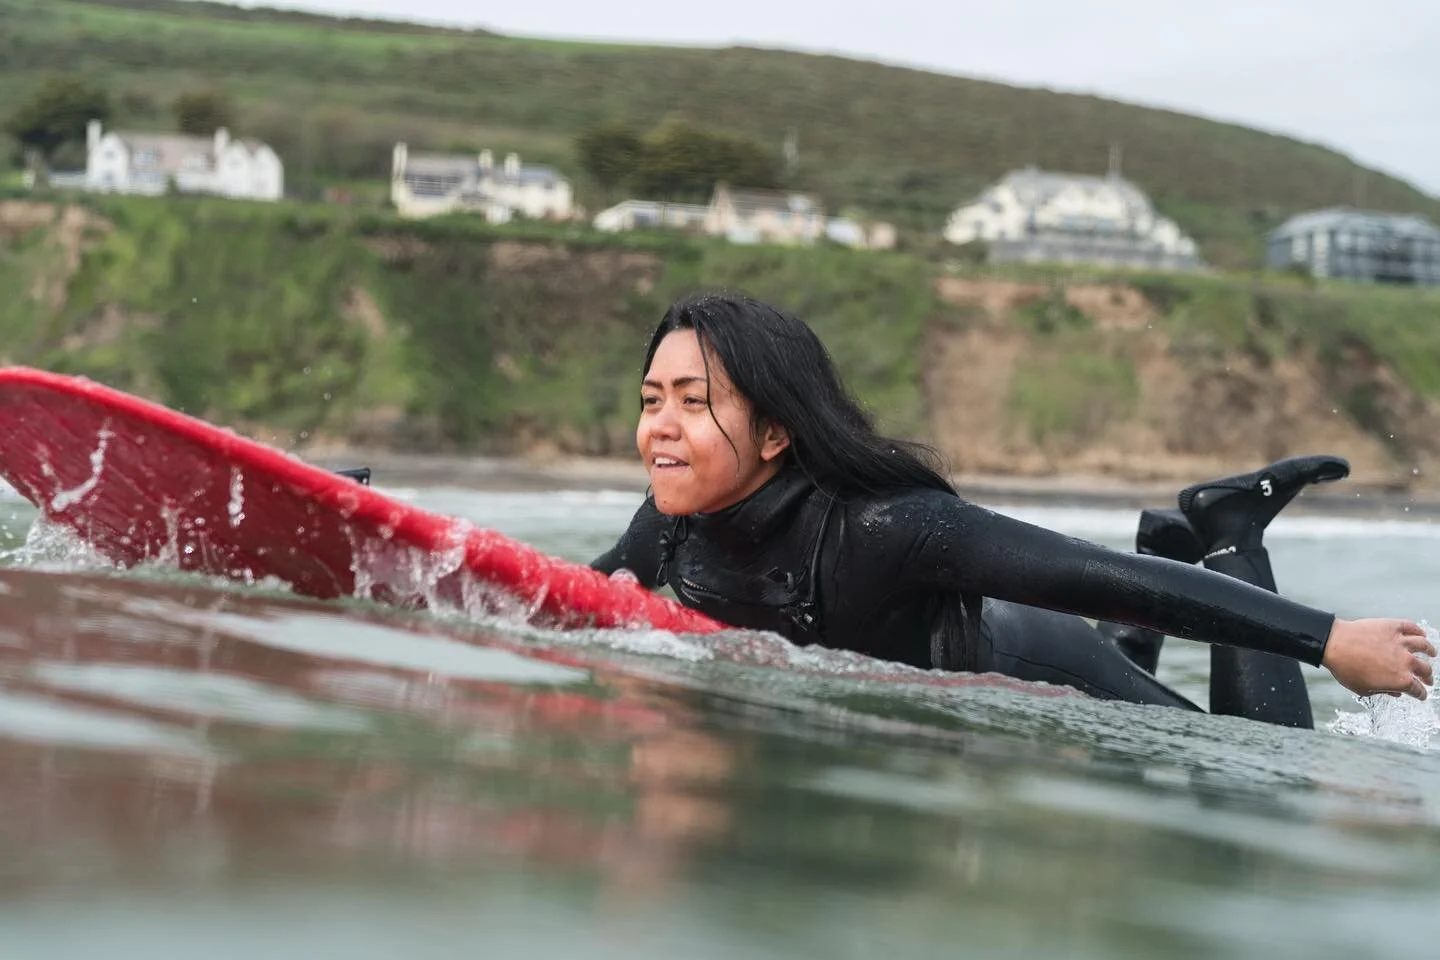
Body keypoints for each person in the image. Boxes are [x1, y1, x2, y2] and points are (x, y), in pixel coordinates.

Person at [590, 294, 1434, 726]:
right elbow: (576, 599)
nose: (659, 428)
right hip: (990, 663)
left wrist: (1331, 641)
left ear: (774, 430)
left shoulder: (887, 528)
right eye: (649, 399)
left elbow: (1100, 579)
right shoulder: (673, 520)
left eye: (692, 403)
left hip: (1047, 661)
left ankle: (1229, 533)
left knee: (1264, 771)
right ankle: (1182, 536)